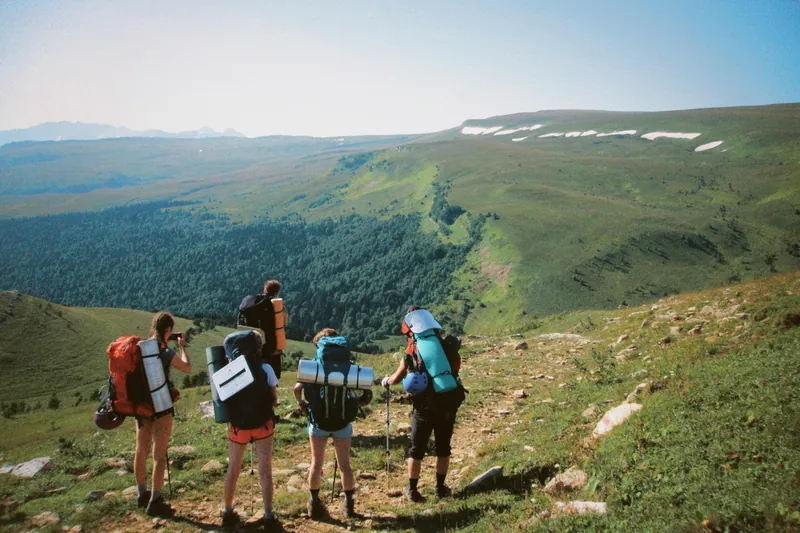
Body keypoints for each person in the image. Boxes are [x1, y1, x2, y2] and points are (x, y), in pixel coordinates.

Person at [381, 306, 464, 503]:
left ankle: (412, 490)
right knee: (443, 448)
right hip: (447, 403)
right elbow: (455, 371)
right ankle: (440, 488)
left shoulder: (413, 351)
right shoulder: (445, 346)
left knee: (416, 449)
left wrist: (386, 381)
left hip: (424, 407)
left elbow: (396, 378)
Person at [293, 329, 372, 520]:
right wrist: (354, 404)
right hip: (342, 423)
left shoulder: (314, 367)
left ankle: (313, 504)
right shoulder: (349, 367)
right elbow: (367, 395)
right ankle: (349, 506)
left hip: (318, 421)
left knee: (316, 463)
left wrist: (303, 405)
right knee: (345, 464)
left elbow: (296, 389)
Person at [221, 329, 280, 530]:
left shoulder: (231, 370)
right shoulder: (266, 368)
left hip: (239, 428)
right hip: (264, 425)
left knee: (233, 469)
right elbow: (274, 399)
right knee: (265, 470)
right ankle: (269, 515)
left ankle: (228, 512)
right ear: (258, 347)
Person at [134, 311, 191, 516]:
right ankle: (155, 499)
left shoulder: (140, 348)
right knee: (159, 455)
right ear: (168, 330)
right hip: (161, 406)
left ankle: (141, 493)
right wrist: (182, 347)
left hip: (142, 407)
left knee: (141, 450)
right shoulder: (164, 351)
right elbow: (186, 368)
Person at [238, 279, 287, 379]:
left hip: (251, 343)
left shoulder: (250, 302)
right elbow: (284, 324)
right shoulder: (277, 306)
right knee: (272, 377)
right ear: (277, 292)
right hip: (271, 347)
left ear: (265, 290)